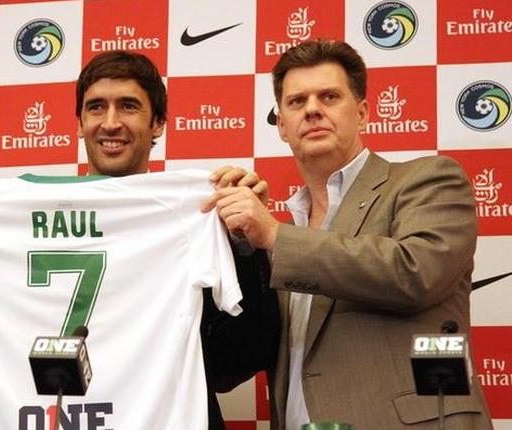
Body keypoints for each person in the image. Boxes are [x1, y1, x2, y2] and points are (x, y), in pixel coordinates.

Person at [204, 40, 492, 429]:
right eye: (296, 101)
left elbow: (415, 273)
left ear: (362, 113)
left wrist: (273, 235)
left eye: (329, 96)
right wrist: (243, 246)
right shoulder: (292, 227)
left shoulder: (429, 178)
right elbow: (248, 349)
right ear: (283, 128)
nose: (312, 109)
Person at [75, 50, 280, 429]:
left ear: (158, 124)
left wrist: (244, 245)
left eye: (129, 107)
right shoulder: (24, 220)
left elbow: (238, 360)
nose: (111, 122)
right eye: (96, 107)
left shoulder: (198, 214)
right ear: (80, 122)